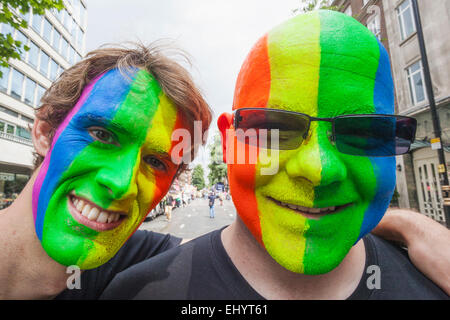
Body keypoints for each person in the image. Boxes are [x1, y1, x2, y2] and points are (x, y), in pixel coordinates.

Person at [100, 11, 449, 300]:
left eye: (365, 133)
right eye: (273, 129)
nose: (318, 169)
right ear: (229, 142)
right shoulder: (137, 293)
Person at [0, 43, 212, 299]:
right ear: (45, 133)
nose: (122, 184)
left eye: (156, 162)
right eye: (101, 135)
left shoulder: (137, 258)